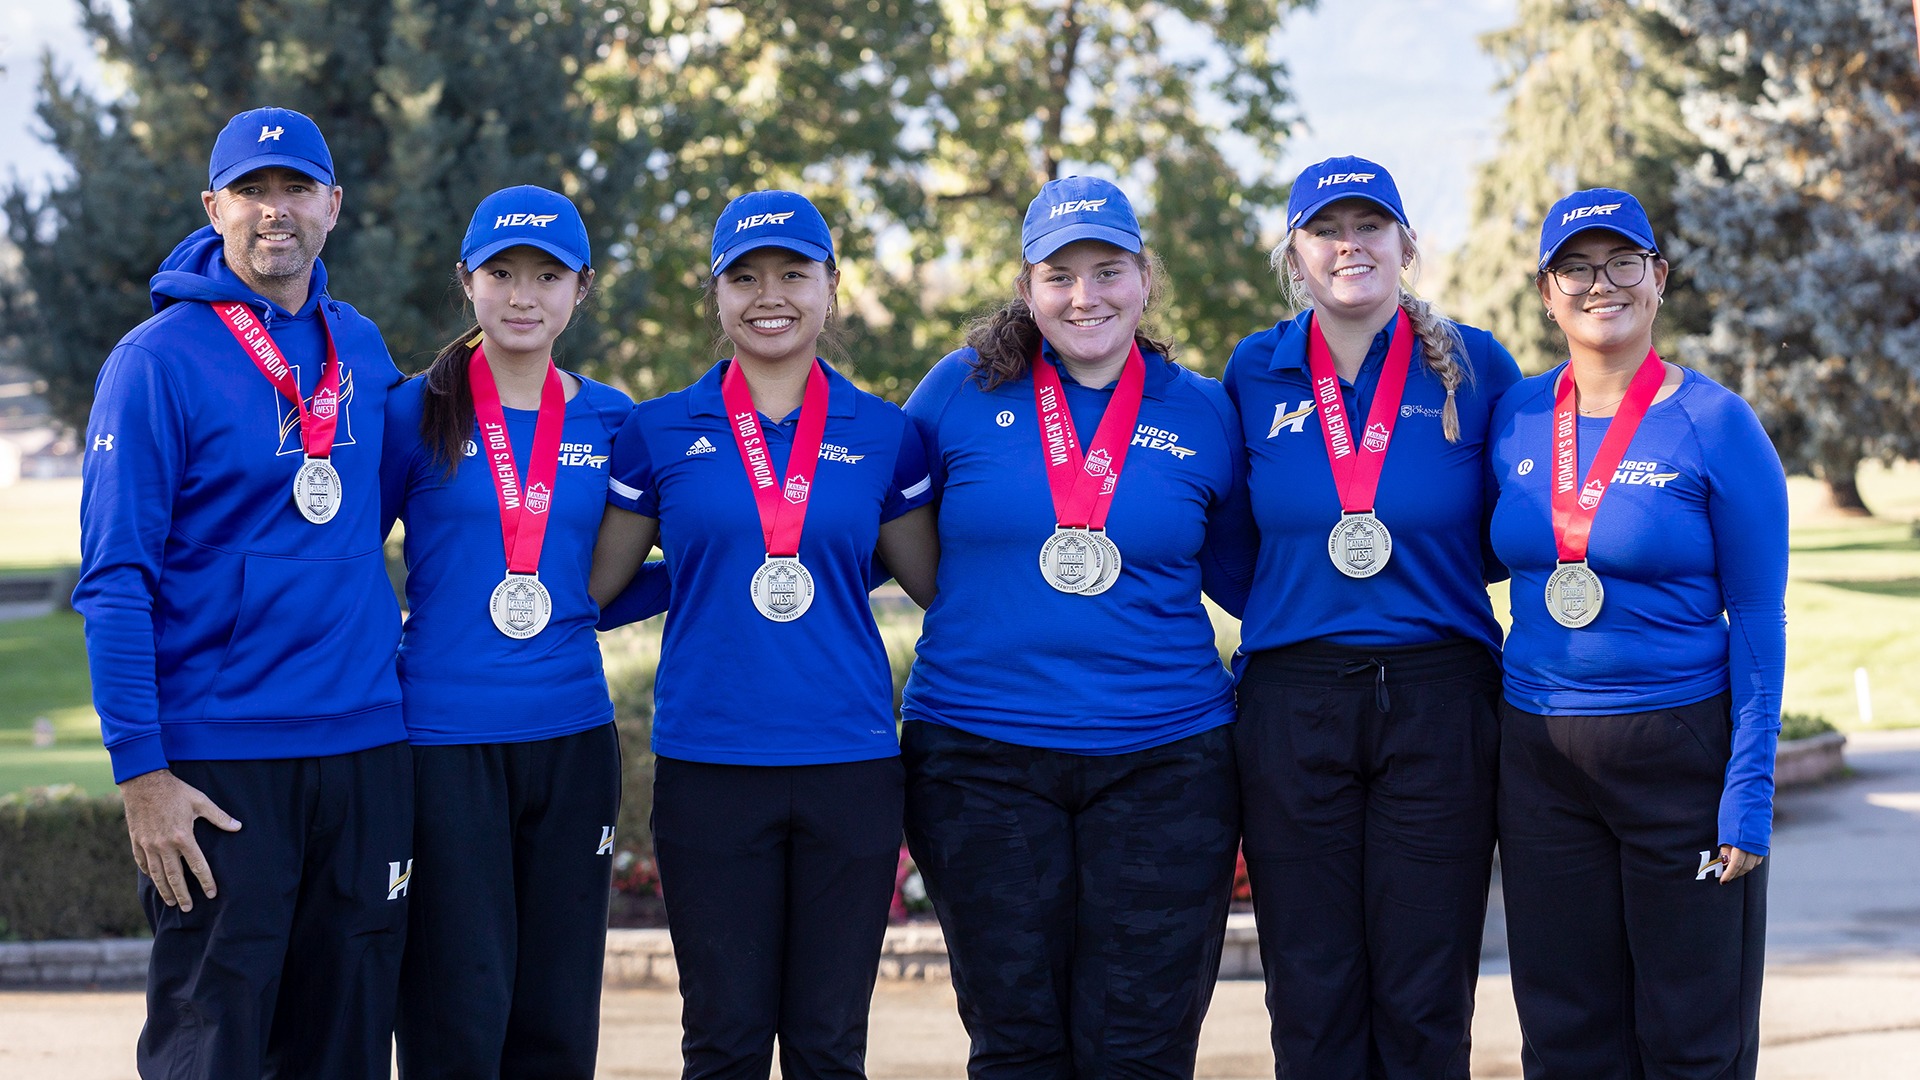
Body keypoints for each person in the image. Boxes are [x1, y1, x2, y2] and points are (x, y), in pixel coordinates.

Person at [72, 106, 412, 1079]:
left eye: (297, 189)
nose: (276, 212)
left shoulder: (362, 347)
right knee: (212, 1047)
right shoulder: (154, 363)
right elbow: (116, 582)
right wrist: (142, 773)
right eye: (253, 192)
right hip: (222, 770)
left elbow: (371, 519)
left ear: (332, 206)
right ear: (213, 205)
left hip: (364, 756)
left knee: (347, 1043)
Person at [899, 175, 1252, 1077]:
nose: (1085, 296)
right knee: (1017, 1046)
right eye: (1060, 275)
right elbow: (859, 533)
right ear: (1026, 288)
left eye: (1108, 270)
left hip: (1166, 764)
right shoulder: (956, 392)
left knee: (1141, 1048)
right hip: (979, 759)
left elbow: (1256, 576)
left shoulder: (1204, 408)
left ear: (1144, 278)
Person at [587, 189, 937, 1079]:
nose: (768, 293)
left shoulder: (887, 434)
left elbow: (932, 579)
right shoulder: (656, 431)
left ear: (830, 286)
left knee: (828, 1045)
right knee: (724, 1041)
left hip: (850, 767)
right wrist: (712, 576)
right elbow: (601, 585)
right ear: (717, 294)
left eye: (792, 272)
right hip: (711, 765)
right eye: (744, 277)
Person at [1220, 157, 1522, 1078]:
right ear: (1295, 255)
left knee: (1425, 985)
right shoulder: (1255, 369)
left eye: (1370, 226)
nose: (1349, 246)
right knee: (1310, 984)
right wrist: (1307, 601)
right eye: (1326, 230)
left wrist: (1416, 588)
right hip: (1293, 696)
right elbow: (1229, 539)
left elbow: (1509, 528)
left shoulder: (1476, 365)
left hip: (1440, 695)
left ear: (1404, 245)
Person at [1488, 188, 1787, 1079]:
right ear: (1547, 293)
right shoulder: (1514, 418)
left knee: (1693, 1038)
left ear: (1658, 278)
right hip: (1539, 756)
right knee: (1565, 1032)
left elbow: (1760, 616)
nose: (1600, 284)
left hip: (1679, 754)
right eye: (1575, 268)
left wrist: (1750, 786)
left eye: (1622, 262)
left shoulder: (1716, 423)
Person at [380, 186, 631, 1078]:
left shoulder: (611, 418)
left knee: (559, 1007)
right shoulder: (411, 412)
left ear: (580, 289)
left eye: (547, 275)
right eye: (502, 274)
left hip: (571, 736)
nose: (523, 294)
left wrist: (579, 607)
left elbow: (648, 563)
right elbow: (346, 561)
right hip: (445, 742)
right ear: (468, 283)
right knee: (457, 998)